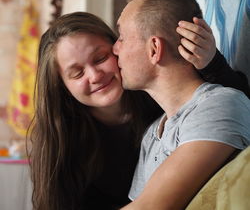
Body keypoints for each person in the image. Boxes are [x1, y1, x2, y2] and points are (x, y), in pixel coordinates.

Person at [29, 11, 249, 210]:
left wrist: (213, 63)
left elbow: (234, 109)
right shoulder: (58, 138)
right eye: (77, 73)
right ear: (62, 87)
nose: (95, 76)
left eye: (101, 58)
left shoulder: (162, 99)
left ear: (119, 49)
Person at [112, 0, 250, 210]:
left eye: (122, 38)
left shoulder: (220, 104)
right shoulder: (153, 134)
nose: (115, 49)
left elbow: (149, 207)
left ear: (154, 49)